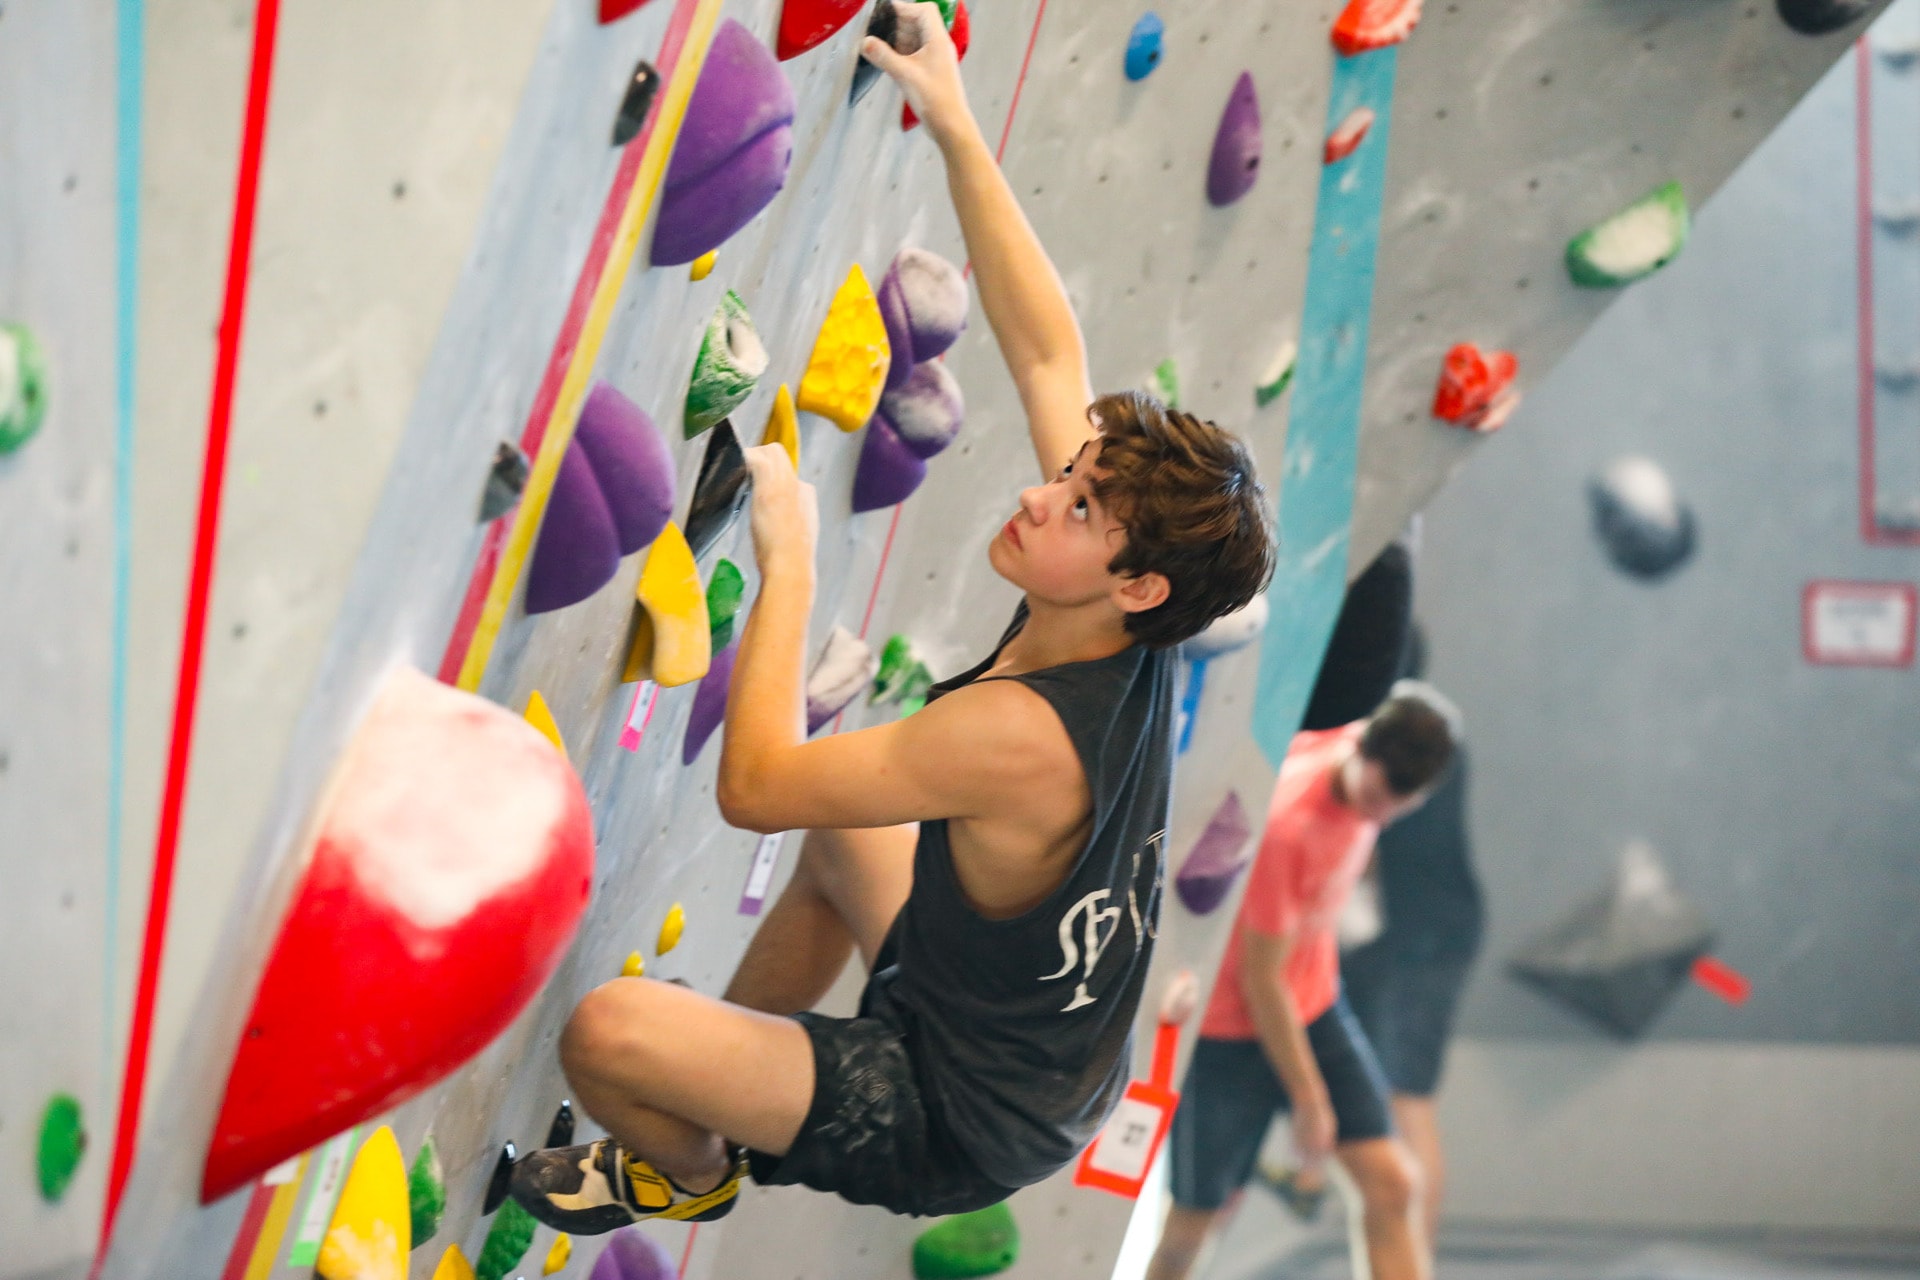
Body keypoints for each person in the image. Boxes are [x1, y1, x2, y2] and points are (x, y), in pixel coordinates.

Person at [507, 0, 1276, 1232]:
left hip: (954, 1112)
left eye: (1077, 508)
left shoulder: (1025, 737)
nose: (1039, 493)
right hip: (1014, 1030)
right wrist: (958, 125)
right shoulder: (1145, 611)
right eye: (1071, 481)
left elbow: (754, 782)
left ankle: (688, 1169)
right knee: (840, 849)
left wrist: (791, 560)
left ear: (1138, 584)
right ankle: (743, 1080)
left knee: (613, 1034)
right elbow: (1044, 352)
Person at [1145, 685, 1460, 1280]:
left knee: (1393, 1185)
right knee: (1193, 1226)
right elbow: (1262, 983)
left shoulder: (1363, 753)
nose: (1380, 816)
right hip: (1230, 1028)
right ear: (1361, 754)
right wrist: (1310, 1101)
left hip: (1312, 1003)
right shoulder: (1288, 824)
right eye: (1374, 797)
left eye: (1399, 805)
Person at [1267, 629, 1484, 1243]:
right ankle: (1309, 1179)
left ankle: (1412, 1258)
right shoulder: (1429, 738)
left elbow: (1363, 854)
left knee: (1407, 1102)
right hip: (1422, 932)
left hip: (1423, 939)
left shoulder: (1385, 750)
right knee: (1379, 1091)